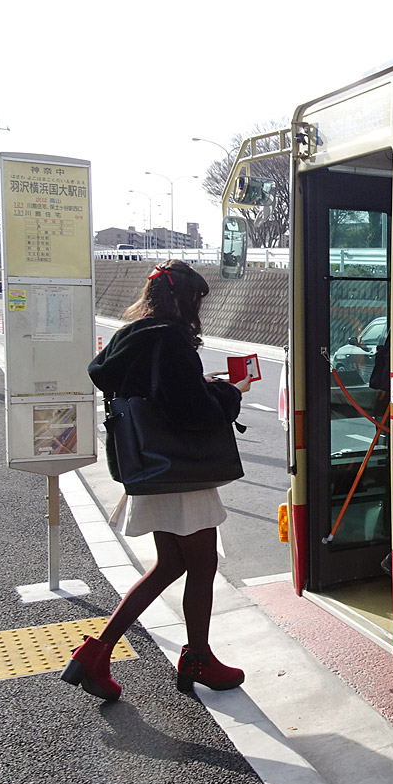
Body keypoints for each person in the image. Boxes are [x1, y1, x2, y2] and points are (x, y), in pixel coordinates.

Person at [61, 259, 251, 702]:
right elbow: (190, 411)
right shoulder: (171, 339)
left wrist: (200, 382)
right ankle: (198, 658)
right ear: (182, 298)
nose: (198, 307)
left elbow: (157, 394)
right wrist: (227, 392)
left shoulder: (132, 337)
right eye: (196, 299)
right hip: (182, 472)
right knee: (202, 564)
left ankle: (96, 652)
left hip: (151, 467)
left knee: (170, 564)